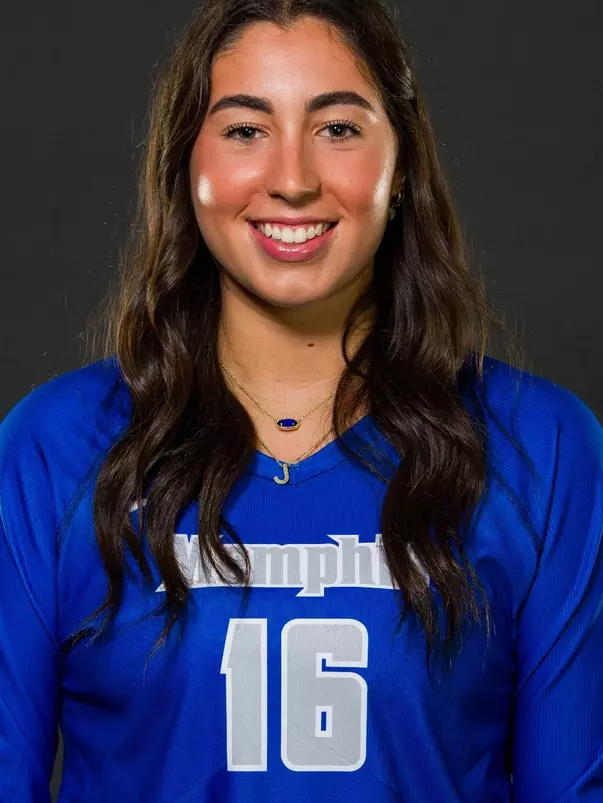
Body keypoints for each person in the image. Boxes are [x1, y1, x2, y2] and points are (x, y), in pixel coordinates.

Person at [1, 0, 602, 800]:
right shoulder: (54, 448)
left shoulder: (544, 448)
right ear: (189, 163)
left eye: (338, 128)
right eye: (245, 129)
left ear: (402, 165)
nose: (291, 179)